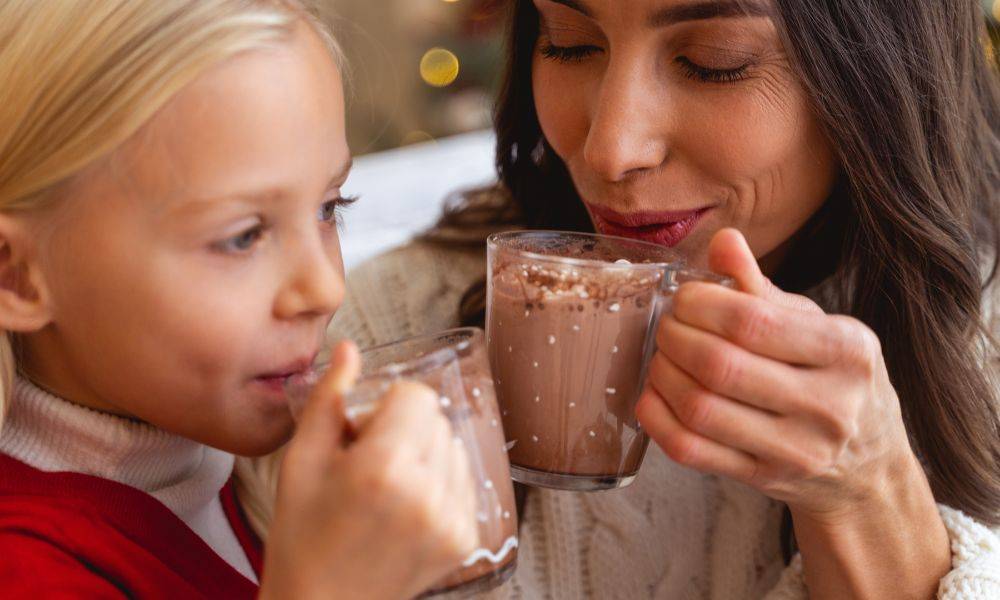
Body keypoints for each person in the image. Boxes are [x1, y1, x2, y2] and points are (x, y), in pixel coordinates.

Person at [317, 0, 1000, 597]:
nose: (612, 150)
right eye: (568, 41)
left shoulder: (986, 341)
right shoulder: (386, 334)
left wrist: (869, 495)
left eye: (714, 62)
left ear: (881, 75)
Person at [0, 1, 479, 597]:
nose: (326, 288)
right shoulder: (27, 572)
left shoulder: (203, 453)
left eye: (328, 208)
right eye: (242, 236)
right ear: (15, 275)